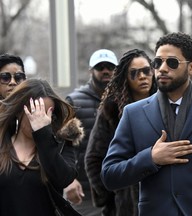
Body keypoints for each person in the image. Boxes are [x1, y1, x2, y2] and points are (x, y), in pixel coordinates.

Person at [100, 32, 192, 215]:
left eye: (171, 62)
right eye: (157, 62)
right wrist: (150, 158)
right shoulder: (133, 114)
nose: (162, 68)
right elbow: (109, 175)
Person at [85, 48, 157, 216]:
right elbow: (93, 159)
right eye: (134, 73)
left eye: (147, 70)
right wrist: (113, 196)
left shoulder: (166, 104)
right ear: (125, 77)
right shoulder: (111, 109)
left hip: (161, 200)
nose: (142, 76)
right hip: (125, 207)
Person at [0, 78, 84, 216]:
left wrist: (43, 135)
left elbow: (63, 179)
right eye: (35, 112)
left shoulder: (61, 145)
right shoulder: (3, 143)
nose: (40, 119)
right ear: (19, 110)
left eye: (46, 114)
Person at [65, 49, 118, 215]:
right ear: (91, 71)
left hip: (117, 184)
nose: (105, 71)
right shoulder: (74, 101)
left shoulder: (123, 99)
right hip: (85, 189)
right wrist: (68, 179)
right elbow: (63, 145)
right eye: (100, 67)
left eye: (110, 66)